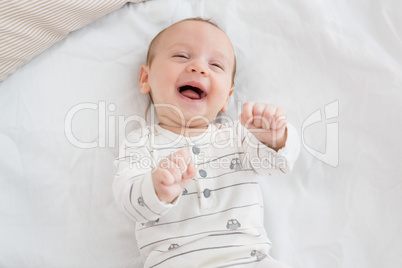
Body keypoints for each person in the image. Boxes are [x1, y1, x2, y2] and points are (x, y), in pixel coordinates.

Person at [113, 17, 300, 268]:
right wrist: (156, 188)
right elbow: (129, 202)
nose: (199, 68)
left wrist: (274, 137)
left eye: (215, 64)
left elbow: (277, 163)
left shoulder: (238, 135)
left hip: (248, 259)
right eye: (181, 55)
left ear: (227, 97)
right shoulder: (140, 142)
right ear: (145, 78)